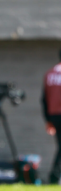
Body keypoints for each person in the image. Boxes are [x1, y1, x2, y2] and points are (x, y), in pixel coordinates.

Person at [42, 49, 61, 184]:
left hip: (54, 116)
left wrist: (48, 120)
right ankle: (54, 177)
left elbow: (44, 99)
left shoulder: (49, 73)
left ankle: (54, 176)